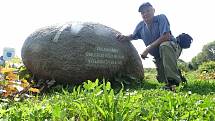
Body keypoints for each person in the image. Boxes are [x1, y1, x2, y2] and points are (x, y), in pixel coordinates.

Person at [117, 2, 182, 91]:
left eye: (148, 10)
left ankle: (173, 83)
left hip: (171, 48)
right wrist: (125, 37)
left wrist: (147, 48)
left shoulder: (161, 18)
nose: (145, 14)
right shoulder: (140, 25)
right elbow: (133, 36)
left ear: (153, 10)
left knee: (164, 45)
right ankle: (177, 75)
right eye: (142, 12)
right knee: (162, 80)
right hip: (158, 56)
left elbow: (166, 36)